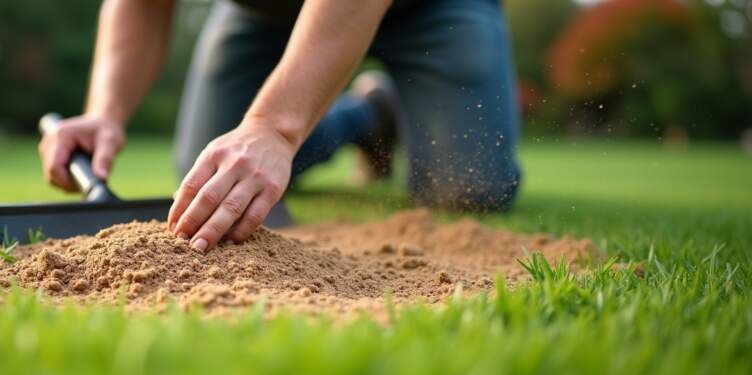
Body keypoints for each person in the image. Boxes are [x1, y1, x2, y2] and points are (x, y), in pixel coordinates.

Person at [38, 0, 521, 253]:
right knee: (214, 171)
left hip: (431, 7)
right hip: (263, 13)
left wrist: (273, 127)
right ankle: (370, 116)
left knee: (469, 188)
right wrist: (105, 112)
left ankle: (349, 113)